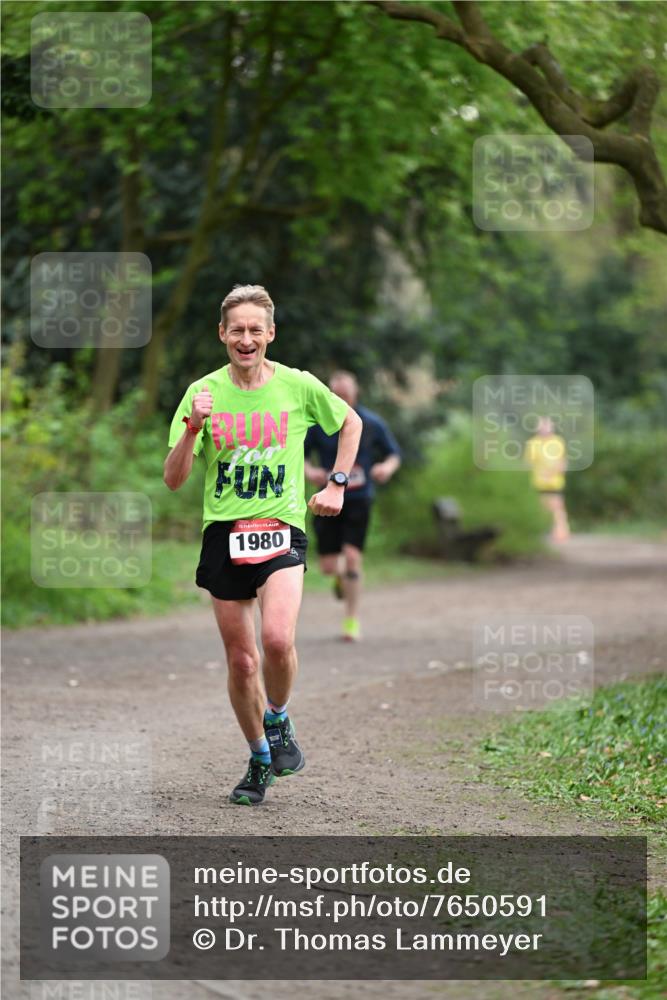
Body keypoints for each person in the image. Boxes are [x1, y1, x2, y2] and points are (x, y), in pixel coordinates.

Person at [164, 286, 362, 806]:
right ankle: (258, 757)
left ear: (270, 334)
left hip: (280, 527)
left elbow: (350, 423)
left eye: (256, 329)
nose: (246, 338)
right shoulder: (200, 393)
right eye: (237, 329)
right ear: (222, 335)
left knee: (276, 641)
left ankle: (277, 718)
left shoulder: (297, 386)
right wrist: (193, 428)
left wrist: (337, 483)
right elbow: (174, 479)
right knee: (242, 662)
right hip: (223, 535)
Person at [304, 371, 401, 641]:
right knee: (327, 565)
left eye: (346, 393)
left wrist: (386, 468)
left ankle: (351, 620)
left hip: (359, 499)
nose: (342, 398)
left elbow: (394, 454)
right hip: (325, 499)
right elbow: (298, 455)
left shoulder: (371, 423)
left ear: (355, 392)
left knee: (353, 557)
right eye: (337, 394)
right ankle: (339, 577)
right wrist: (308, 471)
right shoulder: (318, 424)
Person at [524, 416, 570, 543]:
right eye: (542, 426)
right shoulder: (533, 443)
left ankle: (561, 532)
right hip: (539, 481)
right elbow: (528, 463)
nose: (544, 428)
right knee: (542, 507)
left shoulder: (558, 441)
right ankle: (543, 532)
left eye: (546, 425)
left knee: (557, 506)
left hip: (555, 481)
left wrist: (553, 472)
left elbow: (563, 461)